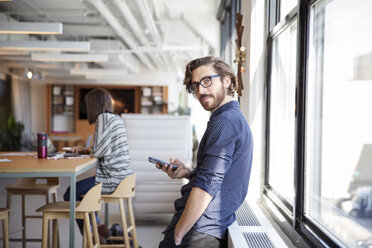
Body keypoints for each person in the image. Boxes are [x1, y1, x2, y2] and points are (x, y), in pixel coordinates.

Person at [157, 56, 253, 248]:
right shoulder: (229, 118)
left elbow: (208, 185)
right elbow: (217, 175)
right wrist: (188, 172)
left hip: (197, 231)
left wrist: (179, 234)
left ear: (226, 80)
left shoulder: (225, 122)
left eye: (207, 81)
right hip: (202, 228)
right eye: (195, 86)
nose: (201, 90)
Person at [63, 88, 133, 235]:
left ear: (93, 104)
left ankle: (92, 235)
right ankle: (99, 227)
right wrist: (86, 149)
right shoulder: (115, 118)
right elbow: (104, 148)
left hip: (111, 179)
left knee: (70, 193)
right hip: (123, 179)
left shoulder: (103, 118)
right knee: (79, 192)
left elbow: (99, 151)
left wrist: (90, 150)